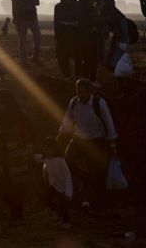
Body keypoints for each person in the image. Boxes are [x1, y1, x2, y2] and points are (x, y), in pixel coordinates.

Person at [57, 79, 118, 210]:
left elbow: (109, 123)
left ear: (90, 91)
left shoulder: (99, 104)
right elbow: (66, 123)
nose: (81, 94)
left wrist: (112, 143)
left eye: (83, 92)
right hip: (79, 139)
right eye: (78, 91)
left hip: (97, 141)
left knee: (98, 173)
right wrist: (59, 138)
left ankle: (98, 203)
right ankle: (85, 178)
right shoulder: (74, 103)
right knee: (67, 160)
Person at [0, 89, 35, 220]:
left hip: (17, 153)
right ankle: (15, 211)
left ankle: (17, 215)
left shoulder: (19, 114)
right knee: (1, 183)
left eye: (0, 101)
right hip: (4, 154)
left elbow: (30, 131)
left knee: (17, 185)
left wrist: (29, 146)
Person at [41, 137, 72, 229]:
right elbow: (38, 158)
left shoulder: (60, 160)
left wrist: (68, 191)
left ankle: (66, 222)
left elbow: (67, 175)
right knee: (47, 198)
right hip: (53, 185)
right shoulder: (47, 159)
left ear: (53, 148)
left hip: (63, 186)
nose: (45, 151)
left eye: (47, 148)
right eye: (44, 149)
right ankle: (55, 214)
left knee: (64, 204)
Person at [11, 0, 41, 65]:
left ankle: (35, 58)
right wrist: (15, 20)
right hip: (22, 20)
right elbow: (14, 7)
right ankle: (23, 60)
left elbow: (37, 2)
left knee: (38, 39)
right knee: (22, 40)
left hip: (32, 18)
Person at [54, 0, 79, 80]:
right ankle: (66, 75)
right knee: (62, 56)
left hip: (75, 36)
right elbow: (57, 23)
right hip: (63, 36)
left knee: (78, 56)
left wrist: (66, 23)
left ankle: (78, 75)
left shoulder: (77, 6)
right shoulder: (58, 7)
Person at [76, 0, 101, 84]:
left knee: (86, 60)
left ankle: (86, 79)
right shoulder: (91, 10)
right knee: (92, 59)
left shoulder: (79, 9)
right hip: (90, 38)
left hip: (84, 38)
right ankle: (92, 79)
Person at [93, 0, 115, 65]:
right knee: (104, 41)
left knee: (100, 42)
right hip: (106, 20)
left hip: (101, 20)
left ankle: (101, 60)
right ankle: (104, 60)